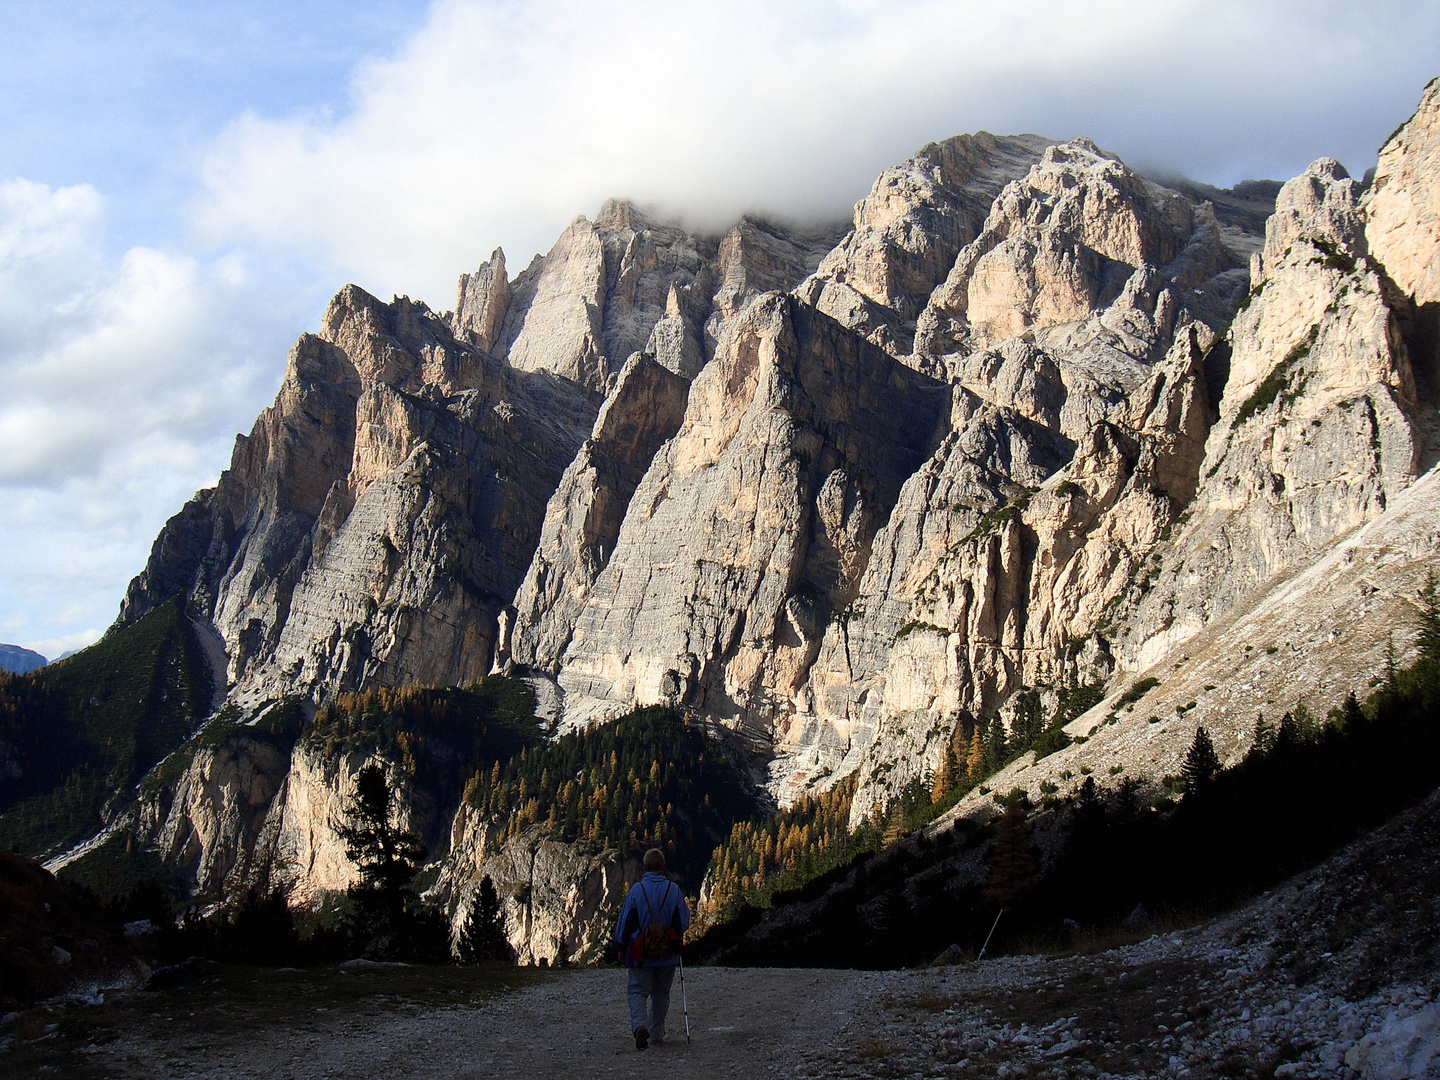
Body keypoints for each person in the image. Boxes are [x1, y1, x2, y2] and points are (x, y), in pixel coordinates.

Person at [614, 847, 690, 1050]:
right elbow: (682, 923)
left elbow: (626, 922)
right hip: (667, 954)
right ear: (663, 867)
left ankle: (639, 1025)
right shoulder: (673, 890)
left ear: (645, 867)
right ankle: (657, 1034)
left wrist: (621, 947)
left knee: (638, 991)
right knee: (661, 993)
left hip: (641, 953)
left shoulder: (637, 891)